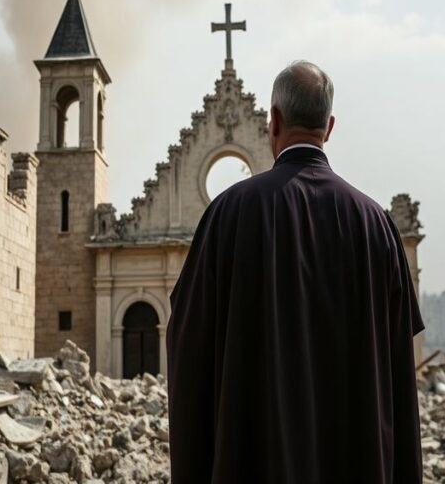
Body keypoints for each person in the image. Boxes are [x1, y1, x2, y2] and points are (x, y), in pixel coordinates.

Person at [166, 60, 425, 483]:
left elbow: (188, 349)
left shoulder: (227, 215)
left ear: (274, 120)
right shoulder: (376, 225)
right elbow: (399, 378)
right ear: (329, 127)